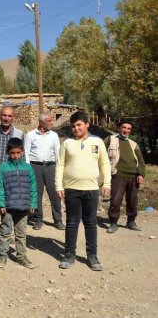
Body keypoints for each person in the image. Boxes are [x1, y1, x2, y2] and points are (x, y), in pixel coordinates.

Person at [56, 112, 111, 271]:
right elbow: (60, 165)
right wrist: (59, 186)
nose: (75, 128)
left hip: (91, 189)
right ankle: (69, 255)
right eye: (73, 126)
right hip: (71, 189)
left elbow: (105, 164)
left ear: (87, 124)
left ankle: (92, 256)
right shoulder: (67, 143)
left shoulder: (97, 142)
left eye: (79, 125)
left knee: (90, 222)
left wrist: (106, 183)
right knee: (72, 223)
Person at [0, 138, 38, 269]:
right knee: (5, 232)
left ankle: (21, 256)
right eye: (12, 153)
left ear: (22, 152)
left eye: (18, 152)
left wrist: (33, 204)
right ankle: (2, 255)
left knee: (21, 234)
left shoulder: (28, 168)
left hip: (24, 207)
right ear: (8, 152)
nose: (15, 155)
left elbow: (33, 187)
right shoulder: (3, 168)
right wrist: (1, 204)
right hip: (7, 208)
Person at [104, 120, 146, 233]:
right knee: (116, 200)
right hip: (118, 175)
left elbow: (141, 162)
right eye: (124, 128)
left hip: (133, 177)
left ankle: (131, 222)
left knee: (133, 200)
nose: (126, 130)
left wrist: (141, 174)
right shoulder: (110, 140)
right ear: (119, 128)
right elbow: (101, 154)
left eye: (128, 129)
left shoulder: (133, 144)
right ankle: (113, 223)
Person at [25, 113, 64, 230]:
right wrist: (28, 168)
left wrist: (59, 169)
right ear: (41, 123)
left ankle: (58, 220)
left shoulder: (54, 135)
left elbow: (58, 152)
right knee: (36, 194)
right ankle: (38, 219)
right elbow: (26, 152)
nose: (52, 123)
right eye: (49, 121)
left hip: (51, 166)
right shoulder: (30, 135)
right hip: (35, 167)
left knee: (55, 194)